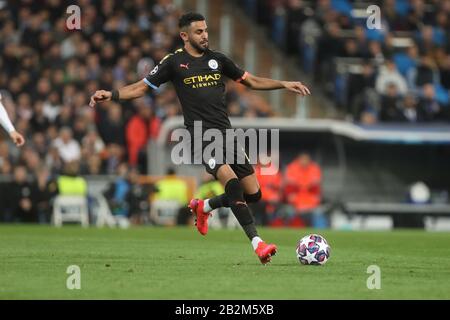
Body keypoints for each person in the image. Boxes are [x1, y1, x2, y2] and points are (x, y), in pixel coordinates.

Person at [89, 12, 311, 264]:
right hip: (201, 138)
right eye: (199, 32)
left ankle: (204, 207)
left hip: (227, 136)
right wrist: (113, 94)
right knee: (233, 185)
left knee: (253, 195)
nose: (205, 35)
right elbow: (142, 87)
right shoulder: (174, 62)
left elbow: (252, 81)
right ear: (184, 35)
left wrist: (284, 83)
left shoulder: (218, 60)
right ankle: (258, 244)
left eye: (206, 30)